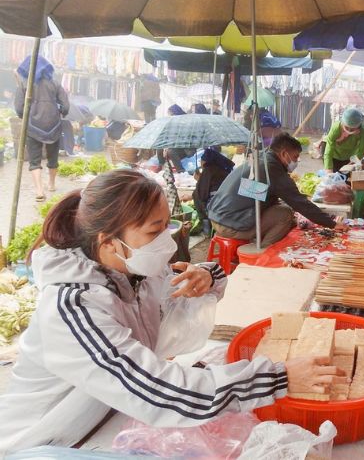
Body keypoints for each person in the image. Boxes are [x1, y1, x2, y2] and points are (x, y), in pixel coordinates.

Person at [0, 169, 342, 454]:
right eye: (154, 230)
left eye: (167, 225)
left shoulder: (132, 270)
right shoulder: (72, 308)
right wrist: (276, 378)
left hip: (109, 412)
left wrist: (209, 275)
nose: (167, 239)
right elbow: (160, 392)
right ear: (108, 242)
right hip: (47, 442)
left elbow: (178, 305)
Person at [208, 133, 347, 248]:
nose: (297, 161)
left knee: (281, 207)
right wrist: (332, 224)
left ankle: (257, 240)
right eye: (295, 157)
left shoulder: (260, 159)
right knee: (285, 213)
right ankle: (264, 249)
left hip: (217, 217)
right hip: (230, 225)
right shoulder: (273, 170)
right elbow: (300, 204)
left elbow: (251, 191)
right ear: (284, 154)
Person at [14, 55, 69, 202]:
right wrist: (60, 112)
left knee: (35, 160)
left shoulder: (24, 84)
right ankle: (51, 184)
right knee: (53, 157)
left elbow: (19, 109)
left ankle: (39, 190)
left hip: (32, 127)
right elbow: (66, 106)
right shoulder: (55, 83)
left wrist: (25, 116)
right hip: (54, 126)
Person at [193, 148, 235, 236]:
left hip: (218, 209)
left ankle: (206, 226)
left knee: (196, 194)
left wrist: (199, 180)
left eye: (201, 160)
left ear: (205, 161)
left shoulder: (208, 170)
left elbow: (202, 195)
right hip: (230, 206)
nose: (200, 163)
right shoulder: (223, 170)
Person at [323, 108, 364, 172]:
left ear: (359, 126)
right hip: (334, 156)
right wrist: (328, 168)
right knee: (333, 176)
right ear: (342, 123)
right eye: (346, 128)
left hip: (350, 157)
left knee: (346, 177)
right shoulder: (336, 128)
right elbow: (329, 150)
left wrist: (351, 164)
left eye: (352, 129)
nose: (349, 131)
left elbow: (362, 150)